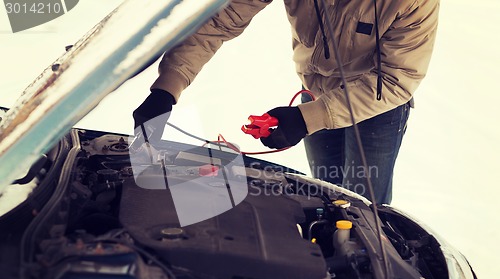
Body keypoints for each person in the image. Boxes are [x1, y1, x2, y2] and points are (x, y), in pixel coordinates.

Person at [132, 0, 439, 204]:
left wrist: (306, 119)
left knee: (360, 208)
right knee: (326, 196)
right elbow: (217, 23)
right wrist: (166, 89)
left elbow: (397, 78)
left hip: (377, 108)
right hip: (315, 94)